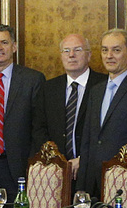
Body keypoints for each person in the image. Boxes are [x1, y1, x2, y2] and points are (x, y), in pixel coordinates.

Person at [77, 28, 127, 196]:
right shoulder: (95, 91)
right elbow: (87, 141)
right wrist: (82, 187)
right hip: (93, 182)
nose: (109, 56)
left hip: (125, 184)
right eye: (104, 50)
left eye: (116, 50)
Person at [0, 24, 45, 200]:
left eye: (4, 42)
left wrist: (32, 164)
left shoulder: (32, 80)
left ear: (14, 47)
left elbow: (39, 127)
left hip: (18, 164)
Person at [32, 33, 106, 182]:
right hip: (55, 173)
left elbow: (108, 133)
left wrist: (84, 159)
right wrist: (56, 160)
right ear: (61, 56)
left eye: (77, 50)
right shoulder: (48, 89)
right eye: (66, 51)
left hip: (93, 172)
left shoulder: (104, 86)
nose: (71, 55)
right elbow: (39, 129)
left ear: (89, 55)